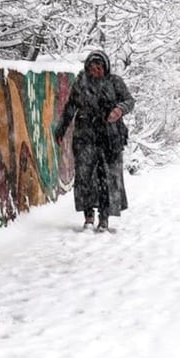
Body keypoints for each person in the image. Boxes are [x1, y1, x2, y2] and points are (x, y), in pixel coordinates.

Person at [53, 50, 135, 232]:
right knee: (84, 178)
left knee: (106, 177)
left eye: (98, 67)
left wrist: (119, 110)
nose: (95, 71)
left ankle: (104, 218)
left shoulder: (115, 82)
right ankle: (88, 216)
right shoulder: (81, 83)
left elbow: (129, 100)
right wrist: (62, 128)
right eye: (92, 67)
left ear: (105, 68)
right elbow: (70, 107)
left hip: (109, 138)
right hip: (85, 137)